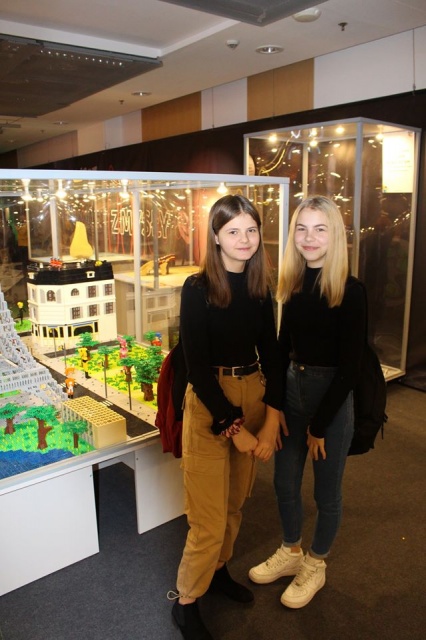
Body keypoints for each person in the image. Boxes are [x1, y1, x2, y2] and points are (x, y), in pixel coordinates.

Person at [170, 194, 283, 640]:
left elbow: (272, 354)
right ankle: (186, 601)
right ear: (216, 237)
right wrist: (234, 429)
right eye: (233, 231)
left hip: (251, 391)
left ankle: (217, 572)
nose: (244, 239)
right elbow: (196, 366)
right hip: (209, 402)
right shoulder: (197, 289)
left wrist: (270, 420)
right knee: (208, 517)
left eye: (251, 230)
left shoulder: (260, 287)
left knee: (235, 503)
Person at [249, 195, 366, 609]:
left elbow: (350, 369)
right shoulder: (294, 284)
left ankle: (316, 563)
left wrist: (319, 427)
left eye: (320, 229)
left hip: (331, 401)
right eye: (301, 228)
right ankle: (291, 550)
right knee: (284, 483)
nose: (309, 237)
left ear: (334, 235)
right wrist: (276, 407)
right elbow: (282, 349)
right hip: (294, 392)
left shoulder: (351, 291)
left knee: (326, 493)